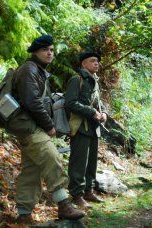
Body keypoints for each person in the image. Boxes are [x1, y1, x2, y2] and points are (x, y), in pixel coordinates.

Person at [10, 35, 85, 224]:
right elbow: (32, 101)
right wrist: (50, 126)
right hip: (29, 127)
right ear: (35, 52)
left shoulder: (37, 70)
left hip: (29, 126)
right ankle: (64, 204)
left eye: (51, 50)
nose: (50, 53)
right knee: (52, 157)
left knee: (31, 170)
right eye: (45, 50)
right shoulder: (29, 69)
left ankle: (24, 213)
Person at [65, 52, 106, 208]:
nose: (97, 63)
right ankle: (77, 194)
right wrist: (92, 112)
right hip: (81, 127)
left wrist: (104, 114)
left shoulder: (95, 81)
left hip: (94, 128)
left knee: (91, 163)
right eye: (92, 61)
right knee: (79, 163)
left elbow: (99, 104)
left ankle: (88, 191)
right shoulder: (77, 80)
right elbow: (71, 103)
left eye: (97, 61)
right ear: (83, 64)